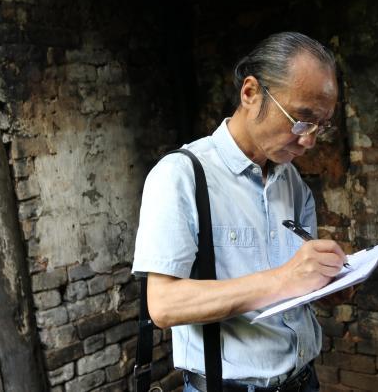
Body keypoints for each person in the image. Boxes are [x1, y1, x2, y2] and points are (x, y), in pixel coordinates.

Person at [132, 32, 348, 392]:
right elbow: (164, 304)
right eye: (301, 119)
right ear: (250, 93)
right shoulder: (182, 175)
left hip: (303, 380)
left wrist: (325, 281)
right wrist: (283, 278)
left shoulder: (291, 179)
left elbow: (293, 283)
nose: (309, 140)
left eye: (320, 126)